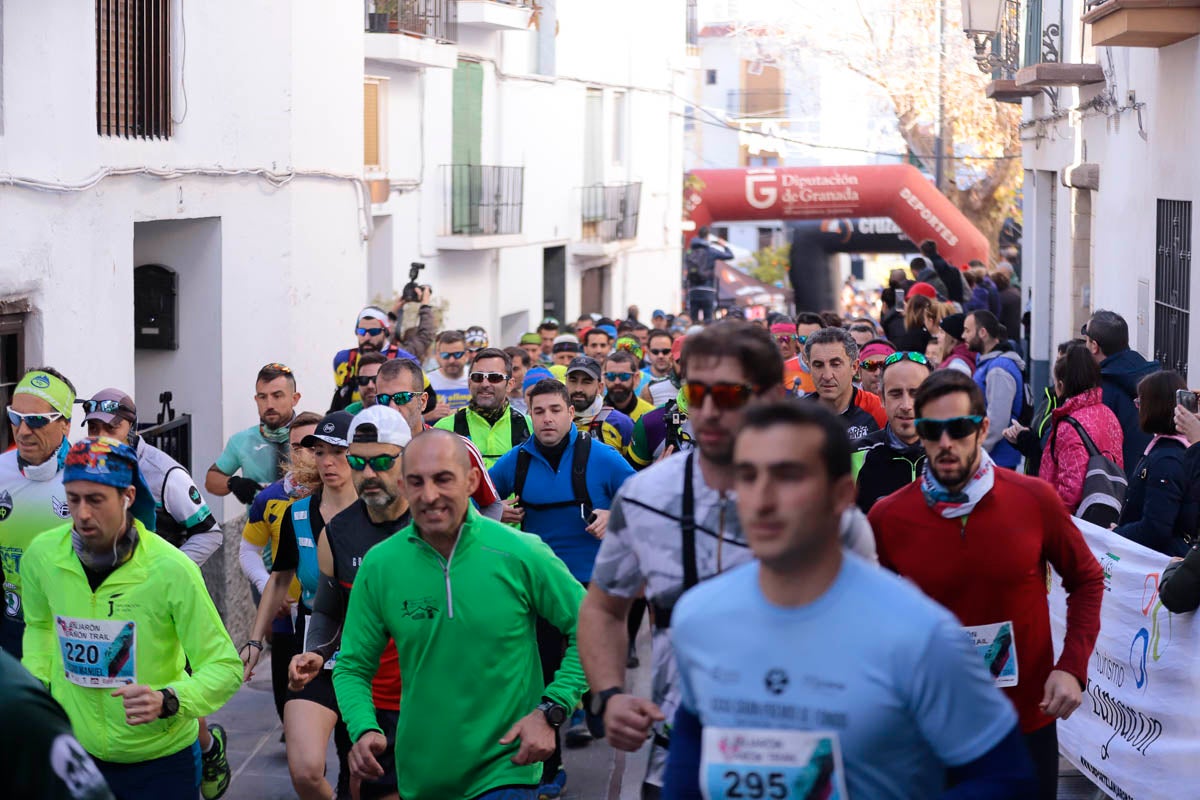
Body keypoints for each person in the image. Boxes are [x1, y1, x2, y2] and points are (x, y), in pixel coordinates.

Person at [663, 402, 1035, 800]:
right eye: (747, 477)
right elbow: (690, 760)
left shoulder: (921, 634)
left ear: (842, 494)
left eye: (789, 477)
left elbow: (1006, 779)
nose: (763, 499)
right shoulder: (698, 617)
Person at [578, 321, 876, 799]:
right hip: (676, 758)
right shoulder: (645, 497)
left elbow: (873, 632)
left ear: (772, 396)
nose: (710, 410)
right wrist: (609, 695)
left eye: (730, 393)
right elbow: (604, 608)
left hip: (802, 762)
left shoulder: (823, 506)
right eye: (696, 392)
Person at [869, 370, 1104, 799]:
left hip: (1024, 724)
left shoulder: (1033, 500)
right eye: (931, 430)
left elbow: (1087, 578)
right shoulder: (888, 517)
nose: (945, 443)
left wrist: (1072, 667)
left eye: (958, 429)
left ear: (981, 428)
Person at [328, 430, 588, 800]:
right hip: (420, 776)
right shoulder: (381, 565)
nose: (429, 495)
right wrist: (364, 728)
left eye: (443, 479)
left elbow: (593, 629)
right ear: (402, 485)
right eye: (416, 482)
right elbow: (352, 666)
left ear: (471, 481)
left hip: (506, 770)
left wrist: (552, 710)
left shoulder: (520, 552)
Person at [21, 438, 243, 800]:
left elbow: (224, 667)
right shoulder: (42, 556)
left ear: (127, 496)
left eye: (96, 499)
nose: (82, 514)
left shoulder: (172, 569)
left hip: (161, 760)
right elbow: (41, 627)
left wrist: (168, 700)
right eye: (73, 498)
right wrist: (39, 686)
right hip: (78, 754)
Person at [489, 379, 635, 780]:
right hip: (539, 587)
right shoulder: (515, 462)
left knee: (588, 660)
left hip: (593, 585)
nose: (548, 419)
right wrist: (498, 510)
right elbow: (474, 500)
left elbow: (643, 500)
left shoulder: (602, 458)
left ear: (572, 412)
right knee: (544, 670)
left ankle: (596, 703)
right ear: (529, 416)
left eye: (556, 410)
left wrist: (614, 516)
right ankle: (550, 768)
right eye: (539, 412)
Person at [289, 406, 412, 800]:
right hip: (361, 689)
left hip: (424, 695)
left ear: (405, 460)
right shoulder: (338, 532)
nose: (368, 474)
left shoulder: (436, 524)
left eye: (381, 462)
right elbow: (326, 608)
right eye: (358, 461)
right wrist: (316, 651)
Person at [241, 411, 357, 800]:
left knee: (361, 769)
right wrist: (254, 642)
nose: (327, 462)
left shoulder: (380, 515)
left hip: (370, 654)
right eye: (319, 452)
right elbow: (279, 578)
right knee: (305, 769)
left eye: (338, 452)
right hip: (313, 652)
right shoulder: (299, 513)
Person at [239, 411, 322, 725]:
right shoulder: (271, 498)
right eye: (298, 446)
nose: (306, 454)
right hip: (286, 617)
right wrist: (268, 589)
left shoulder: (341, 495)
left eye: (315, 445)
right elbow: (248, 551)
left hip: (332, 619)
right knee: (287, 703)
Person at [82, 388, 222, 565]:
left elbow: (209, 534)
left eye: (111, 428)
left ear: (133, 428)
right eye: (93, 428)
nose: (101, 437)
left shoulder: (165, 473)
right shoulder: (84, 468)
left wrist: (167, 572)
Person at [0, 367, 76, 657]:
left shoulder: (91, 475)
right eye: (15, 418)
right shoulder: (1, 472)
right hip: (14, 628)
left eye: (36, 421)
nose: (23, 431)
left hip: (74, 629)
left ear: (65, 424)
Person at [375, 357, 504, 520]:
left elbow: (492, 504)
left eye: (401, 398)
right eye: (384, 399)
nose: (392, 407)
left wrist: (474, 541)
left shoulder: (458, 448)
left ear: (422, 401)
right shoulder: (365, 455)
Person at [0, 647, 116, 800]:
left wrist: (160, 700)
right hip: (82, 736)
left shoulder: (16, 701)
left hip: (147, 753)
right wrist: (38, 676)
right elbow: (40, 625)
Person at [1113, 370, 1194, 556]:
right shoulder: (1175, 450)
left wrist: (1116, 534)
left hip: (1160, 566)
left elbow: (1155, 529)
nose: (1138, 408)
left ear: (1155, 407)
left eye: (1140, 403)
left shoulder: (1166, 460)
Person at [1038, 345, 1124, 514]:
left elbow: (1070, 492)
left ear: (1061, 385)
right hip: (1107, 510)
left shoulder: (1068, 426)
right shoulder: (1108, 415)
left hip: (1074, 523)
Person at [206, 362, 300, 506]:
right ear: (256, 400)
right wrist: (233, 483)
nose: (269, 405)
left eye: (277, 396)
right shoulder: (242, 440)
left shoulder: (311, 435)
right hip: (259, 525)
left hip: (303, 525)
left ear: (295, 399)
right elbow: (211, 480)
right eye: (262, 397)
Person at [1083, 310, 1161, 478]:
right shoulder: (1147, 375)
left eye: (1086, 342)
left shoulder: (1101, 390)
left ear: (1095, 346)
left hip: (1116, 484)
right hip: (1148, 476)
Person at [851, 351, 932, 512]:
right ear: (881, 398)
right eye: (896, 394)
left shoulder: (952, 452)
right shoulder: (856, 456)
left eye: (915, 393)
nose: (906, 405)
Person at [432, 348, 531, 469]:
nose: (485, 384)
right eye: (478, 377)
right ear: (469, 383)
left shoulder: (530, 426)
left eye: (495, 377)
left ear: (509, 384)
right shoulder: (444, 429)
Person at [965, 310, 1026, 469]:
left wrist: (975, 452)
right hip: (991, 458)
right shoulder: (988, 363)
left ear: (982, 332)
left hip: (996, 461)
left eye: (968, 330)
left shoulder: (999, 369)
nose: (963, 335)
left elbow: (997, 421)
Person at [803, 327, 886, 440]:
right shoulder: (795, 416)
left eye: (835, 364)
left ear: (854, 367)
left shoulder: (879, 410)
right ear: (809, 367)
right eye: (818, 365)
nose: (827, 376)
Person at [332, 306, 417, 412]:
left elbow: (418, 398)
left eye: (374, 331)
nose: (367, 337)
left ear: (386, 332)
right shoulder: (343, 359)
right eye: (361, 331)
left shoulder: (406, 360)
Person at [565, 356, 635, 455]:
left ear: (600, 387)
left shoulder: (621, 423)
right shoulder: (555, 420)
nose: (578, 389)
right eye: (573, 380)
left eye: (586, 382)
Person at [685, 226, 733, 323]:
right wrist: (723, 245)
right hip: (708, 289)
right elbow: (730, 255)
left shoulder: (690, 251)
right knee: (708, 320)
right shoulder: (711, 251)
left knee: (694, 320)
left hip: (693, 290)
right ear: (707, 237)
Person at [425, 330, 472, 421]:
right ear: (438, 355)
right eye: (446, 355)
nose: (451, 360)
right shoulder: (427, 381)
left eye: (457, 354)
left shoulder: (477, 378)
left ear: (466, 355)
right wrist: (428, 416)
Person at [604, 350, 654, 423]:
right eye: (611, 376)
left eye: (624, 376)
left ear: (636, 378)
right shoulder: (595, 413)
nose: (617, 382)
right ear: (604, 378)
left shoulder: (650, 415)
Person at [782, 312, 825, 396]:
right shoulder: (783, 370)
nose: (809, 344)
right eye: (803, 339)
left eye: (815, 339)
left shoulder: (837, 368)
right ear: (797, 342)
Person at [637, 330, 677, 405]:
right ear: (648, 352)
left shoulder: (681, 379)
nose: (660, 356)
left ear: (673, 351)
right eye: (655, 351)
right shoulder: (638, 378)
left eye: (666, 351)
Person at [920, 239, 965, 305]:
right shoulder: (953, 269)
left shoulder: (925, 272)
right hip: (955, 306)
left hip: (937, 306)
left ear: (922, 253)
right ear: (936, 250)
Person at [994, 271, 1022, 348]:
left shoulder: (1001, 297)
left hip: (1008, 332)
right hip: (1018, 329)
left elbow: (999, 316)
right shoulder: (1015, 291)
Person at [505, 346, 533, 414]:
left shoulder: (536, 400)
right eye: (506, 370)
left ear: (528, 368)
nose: (510, 375)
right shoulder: (493, 401)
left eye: (515, 369)